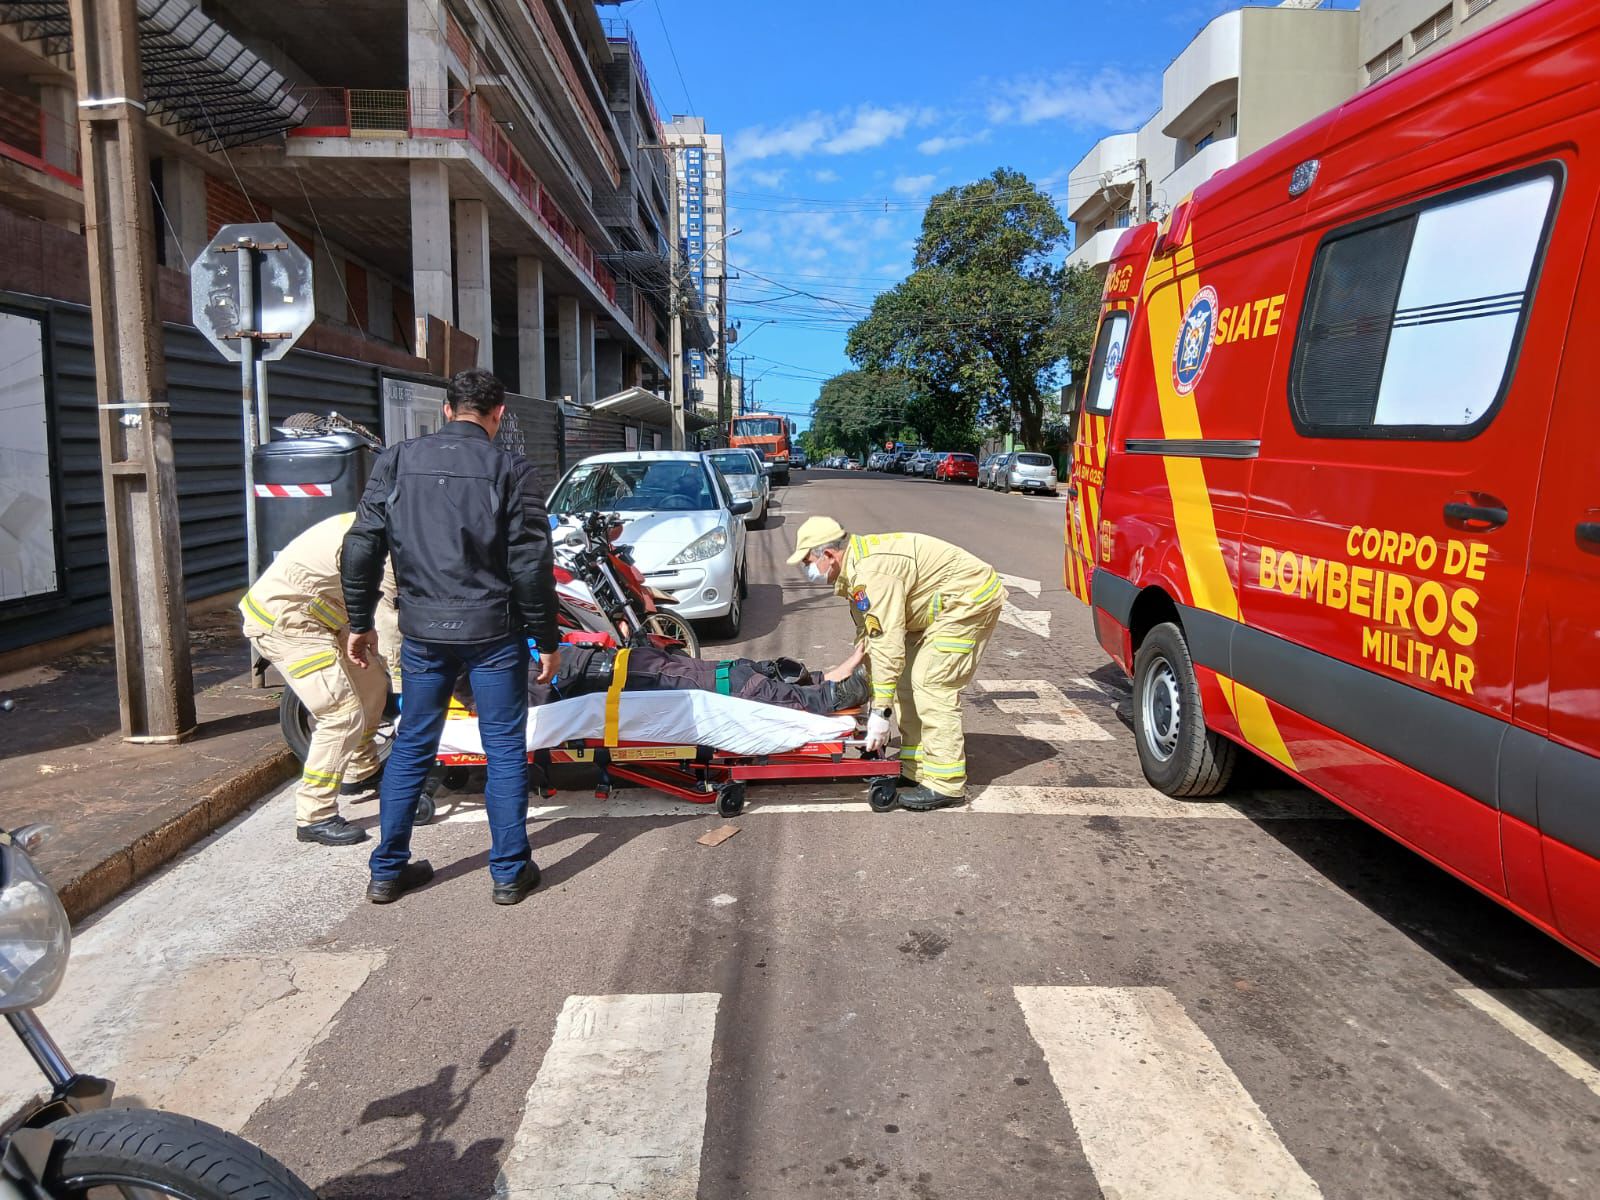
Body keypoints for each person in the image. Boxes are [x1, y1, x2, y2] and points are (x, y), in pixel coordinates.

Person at [342, 368, 560, 907]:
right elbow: (530, 564)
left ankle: (386, 870)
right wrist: (546, 638)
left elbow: (361, 544)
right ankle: (509, 873)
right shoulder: (512, 469)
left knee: (414, 741)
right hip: (493, 631)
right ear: (498, 414)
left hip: (422, 630)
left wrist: (360, 620)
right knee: (503, 746)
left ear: (446, 410)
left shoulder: (396, 460)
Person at [787, 516, 1006, 810]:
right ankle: (916, 768)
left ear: (828, 554)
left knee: (930, 683)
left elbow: (886, 645)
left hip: (967, 601)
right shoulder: (855, 570)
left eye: (808, 562)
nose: (807, 570)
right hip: (934, 608)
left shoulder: (872, 573)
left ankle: (946, 784)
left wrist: (880, 712)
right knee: (903, 682)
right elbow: (871, 637)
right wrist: (852, 675)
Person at [241, 511, 397, 846]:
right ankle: (314, 815)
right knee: (341, 714)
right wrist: (406, 685)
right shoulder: (384, 547)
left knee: (372, 686)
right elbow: (389, 623)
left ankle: (360, 770)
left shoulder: (383, 522)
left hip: (328, 616)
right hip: (288, 623)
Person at [529, 643, 870, 714]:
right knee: (730, 682)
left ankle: (824, 681)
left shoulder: (513, 647)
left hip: (620, 664)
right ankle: (829, 693)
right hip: (613, 676)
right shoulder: (510, 676)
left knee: (734, 670)